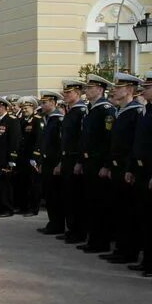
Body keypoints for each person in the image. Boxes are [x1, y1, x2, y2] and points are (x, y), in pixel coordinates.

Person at [99, 73, 145, 264]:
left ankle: (128, 251)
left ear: (130, 90)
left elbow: (134, 145)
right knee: (118, 210)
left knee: (129, 213)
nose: (115, 90)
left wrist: (130, 168)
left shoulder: (135, 112)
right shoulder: (120, 111)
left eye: (119, 87)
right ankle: (120, 248)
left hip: (127, 169)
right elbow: (114, 144)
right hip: (116, 168)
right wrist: (110, 165)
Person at [75, 74, 116, 254]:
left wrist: (106, 164)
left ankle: (101, 242)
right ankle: (94, 240)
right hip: (90, 162)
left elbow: (108, 140)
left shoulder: (105, 110)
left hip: (99, 164)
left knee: (100, 204)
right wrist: (82, 161)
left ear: (100, 89)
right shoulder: (92, 109)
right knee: (90, 202)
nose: (86, 91)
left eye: (90, 88)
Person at [57, 79, 88, 244]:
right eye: (65, 92)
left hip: (75, 158)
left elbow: (81, 139)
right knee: (68, 196)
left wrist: (79, 161)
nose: (65, 95)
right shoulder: (71, 111)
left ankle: (78, 231)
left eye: (68, 92)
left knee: (76, 198)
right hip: (67, 158)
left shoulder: (81, 111)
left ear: (77, 93)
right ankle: (72, 229)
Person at [127, 73, 152, 276]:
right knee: (143, 217)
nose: (143, 89)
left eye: (148, 86)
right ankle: (147, 262)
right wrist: (132, 169)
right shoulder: (147, 110)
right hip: (141, 170)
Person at [37, 91, 65, 235]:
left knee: (55, 195)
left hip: (54, 163)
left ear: (53, 103)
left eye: (45, 102)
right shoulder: (48, 119)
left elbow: (61, 144)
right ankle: (52, 222)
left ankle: (57, 224)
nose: (42, 105)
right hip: (47, 162)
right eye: (42, 102)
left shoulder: (58, 119)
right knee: (49, 194)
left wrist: (60, 163)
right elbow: (45, 144)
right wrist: (41, 161)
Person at [14, 96, 43, 216]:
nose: (24, 110)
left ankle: (33, 208)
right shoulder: (21, 121)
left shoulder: (37, 120)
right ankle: (23, 206)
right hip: (22, 157)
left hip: (32, 157)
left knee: (33, 184)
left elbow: (39, 140)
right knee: (22, 182)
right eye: (23, 108)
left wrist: (36, 156)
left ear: (33, 108)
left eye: (26, 107)